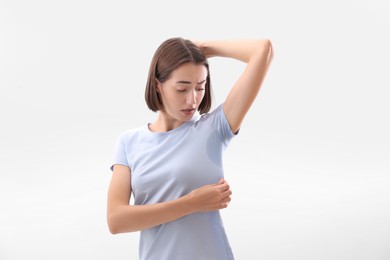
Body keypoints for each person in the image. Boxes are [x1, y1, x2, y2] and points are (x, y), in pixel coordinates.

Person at [107, 37, 274, 260]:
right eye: (182, 88)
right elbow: (116, 220)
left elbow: (263, 50)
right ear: (158, 85)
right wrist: (191, 203)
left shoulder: (214, 129)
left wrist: (204, 49)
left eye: (200, 87)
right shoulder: (129, 142)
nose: (192, 99)